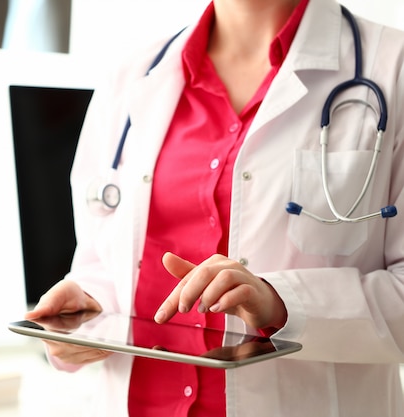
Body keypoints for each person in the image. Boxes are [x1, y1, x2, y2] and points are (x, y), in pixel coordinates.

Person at [25, 0, 404, 415]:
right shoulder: (133, 75)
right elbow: (103, 262)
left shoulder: (393, 67)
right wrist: (81, 314)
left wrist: (283, 304)